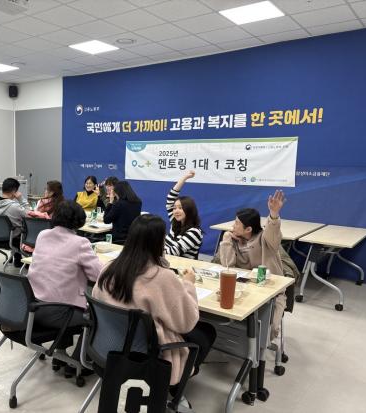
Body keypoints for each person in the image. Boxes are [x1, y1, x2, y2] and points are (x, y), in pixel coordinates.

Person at [93, 214, 215, 406]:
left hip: (109, 348)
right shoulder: (161, 277)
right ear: (159, 242)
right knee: (205, 332)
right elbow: (186, 323)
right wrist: (188, 284)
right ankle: (174, 391)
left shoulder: (109, 268)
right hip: (147, 357)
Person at [27, 200, 102, 374]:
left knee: (63, 293)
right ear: (79, 220)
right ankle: (78, 363)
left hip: (34, 307)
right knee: (98, 316)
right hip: (59, 313)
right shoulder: (80, 243)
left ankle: (60, 354)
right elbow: (97, 275)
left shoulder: (42, 235)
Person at [219, 190, 287, 341]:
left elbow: (273, 231)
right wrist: (226, 240)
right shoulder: (235, 240)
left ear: (248, 229)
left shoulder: (265, 239)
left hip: (271, 292)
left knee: (268, 328)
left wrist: (274, 214)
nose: (233, 226)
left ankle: (259, 349)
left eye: (237, 223)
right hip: (244, 289)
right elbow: (227, 265)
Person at [0, 177, 30, 267]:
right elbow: (29, 214)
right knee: (25, 231)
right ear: (14, 191)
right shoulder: (14, 206)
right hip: (10, 240)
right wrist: (21, 199)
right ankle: (27, 261)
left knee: (15, 227)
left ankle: (17, 259)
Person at [165, 170, 203, 259]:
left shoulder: (194, 232)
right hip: (166, 262)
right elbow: (170, 198)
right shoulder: (175, 222)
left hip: (181, 266)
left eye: (180, 208)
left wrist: (152, 252)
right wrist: (184, 178)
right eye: (174, 208)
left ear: (189, 210)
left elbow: (173, 252)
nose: (176, 211)